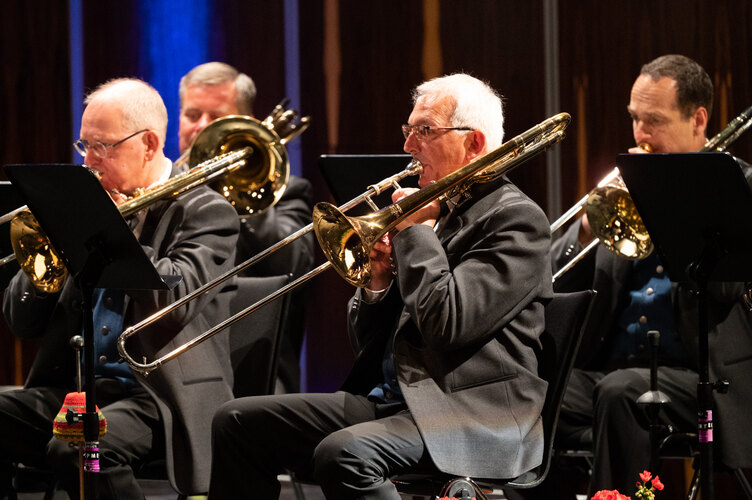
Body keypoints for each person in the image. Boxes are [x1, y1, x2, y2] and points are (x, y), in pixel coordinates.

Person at [207, 73, 554, 499]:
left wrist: (414, 232)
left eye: (424, 131)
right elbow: (366, 346)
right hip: (400, 399)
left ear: (474, 143)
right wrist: (377, 283)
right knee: (236, 422)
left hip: (474, 414)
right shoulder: (439, 210)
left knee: (344, 454)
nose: (408, 146)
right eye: (408, 130)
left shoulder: (514, 219)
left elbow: (448, 325)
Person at [0, 78, 240, 499]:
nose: (89, 160)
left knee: (81, 449)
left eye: (103, 146)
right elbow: (22, 323)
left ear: (149, 144)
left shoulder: (207, 211)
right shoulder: (87, 205)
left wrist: (110, 232)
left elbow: (175, 302)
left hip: (158, 397)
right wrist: (44, 264)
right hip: (77, 389)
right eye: (84, 145)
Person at [551, 54, 752, 496]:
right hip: (612, 372)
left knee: (622, 394)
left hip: (704, 378)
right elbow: (553, 284)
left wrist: (676, 211)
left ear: (698, 120)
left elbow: (726, 287)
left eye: (654, 121)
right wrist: (584, 230)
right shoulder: (626, 189)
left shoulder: (737, 186)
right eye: (635, 119)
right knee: (527, 390)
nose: (640, 135)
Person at [178, 62, 313, 393]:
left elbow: (291, 265)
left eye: (216, 117)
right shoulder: (162, 187)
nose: (201, 126)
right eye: (192, 115)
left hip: (252, 366)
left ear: (245, 124)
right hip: (175, 359)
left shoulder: (288, 192)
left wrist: (241, 189)